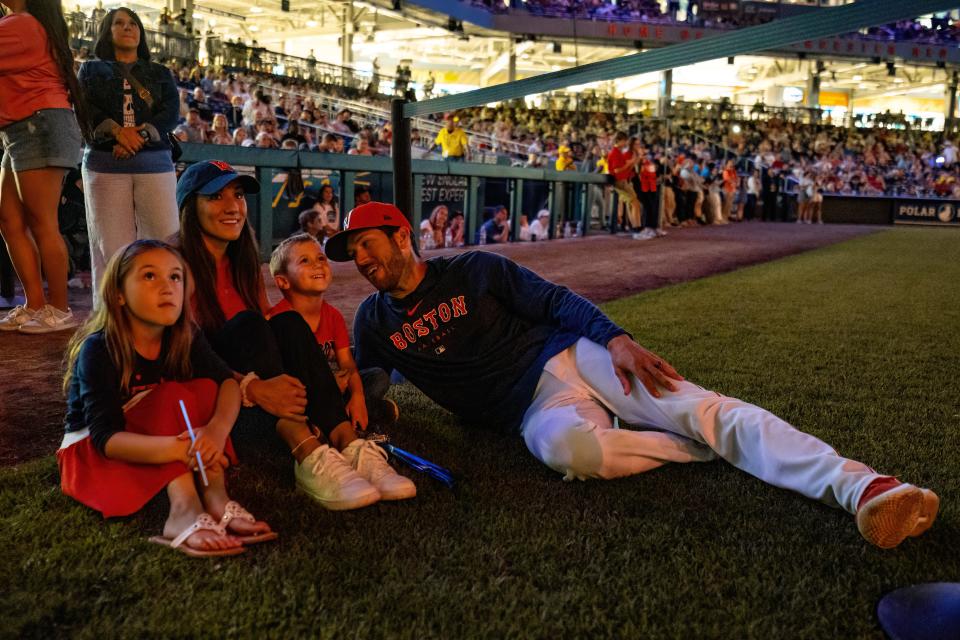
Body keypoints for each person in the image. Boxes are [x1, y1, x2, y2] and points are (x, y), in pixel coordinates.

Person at [324, 201, 940, 550]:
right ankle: (699, 450)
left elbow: (555, 300)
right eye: (353, 254)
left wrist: (616, 340)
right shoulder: (374, 320)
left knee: (705, 408)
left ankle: (863, 486)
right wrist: (354, 397)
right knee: (574, 455)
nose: (362, 260)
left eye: (368, 244)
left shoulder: (476, 268)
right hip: (529, 411)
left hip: (569, 353)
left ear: (404, 236)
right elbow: (365, 383)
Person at [175, 160, 412, 510]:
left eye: (238, 195)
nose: (232, 206)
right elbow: (180, 356)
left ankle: (348, 443)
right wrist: (250, 386)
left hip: (268, 393)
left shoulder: (242, 265)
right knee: (250, 326)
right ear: (190, 208)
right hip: (219, 403)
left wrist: (311, 377)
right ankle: (307, 450)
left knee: (288, 324)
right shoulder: (174, 263)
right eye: (215, 196)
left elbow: (273, 341)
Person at [58, 239, 276, 557]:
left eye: (175, 277)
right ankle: (183, 508)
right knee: (171, 394)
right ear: (118, 293)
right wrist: (180, 449)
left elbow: (227, 383)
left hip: (159, 440)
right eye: (149, 276)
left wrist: (215, 431)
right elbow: (105, 439)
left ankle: (215, 497)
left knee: (204, 388)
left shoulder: (183, 334)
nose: (167, 287)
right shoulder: (99, 348)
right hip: (96, 455)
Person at [78, 7, 180, 301]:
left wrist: (138, 135)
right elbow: (85, 110)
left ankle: (164, 310)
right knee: (110, 249)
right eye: (119, 23)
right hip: (105, 165)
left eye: (133, 23)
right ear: (107, 31)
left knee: (165, 242)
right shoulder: (90, 70)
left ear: (141, 33)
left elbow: (170, 113)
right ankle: (109, 321)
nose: (127, 28)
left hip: (154, 165)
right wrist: (116, 132)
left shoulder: (160, 72)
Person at [0, 0, 86, 332]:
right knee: (9, 219)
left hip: (38, 124)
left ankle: (59, 309)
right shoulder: (25, 24)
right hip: (23, 127)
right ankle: (35, 304)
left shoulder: (22, 25)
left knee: (42, 222)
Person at [266, 234, 404, 435]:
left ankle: (345, 411)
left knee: (377, 377)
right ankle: (367, 411)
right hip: (295, 394)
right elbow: (277, 379)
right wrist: (328, 386)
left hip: (328, 387)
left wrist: (356, 396)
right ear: (283, 281)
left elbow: (347, 364)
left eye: (321, 258)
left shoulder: (333, 316)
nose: (318, 265)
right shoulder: (276, 320)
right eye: (305, 260)